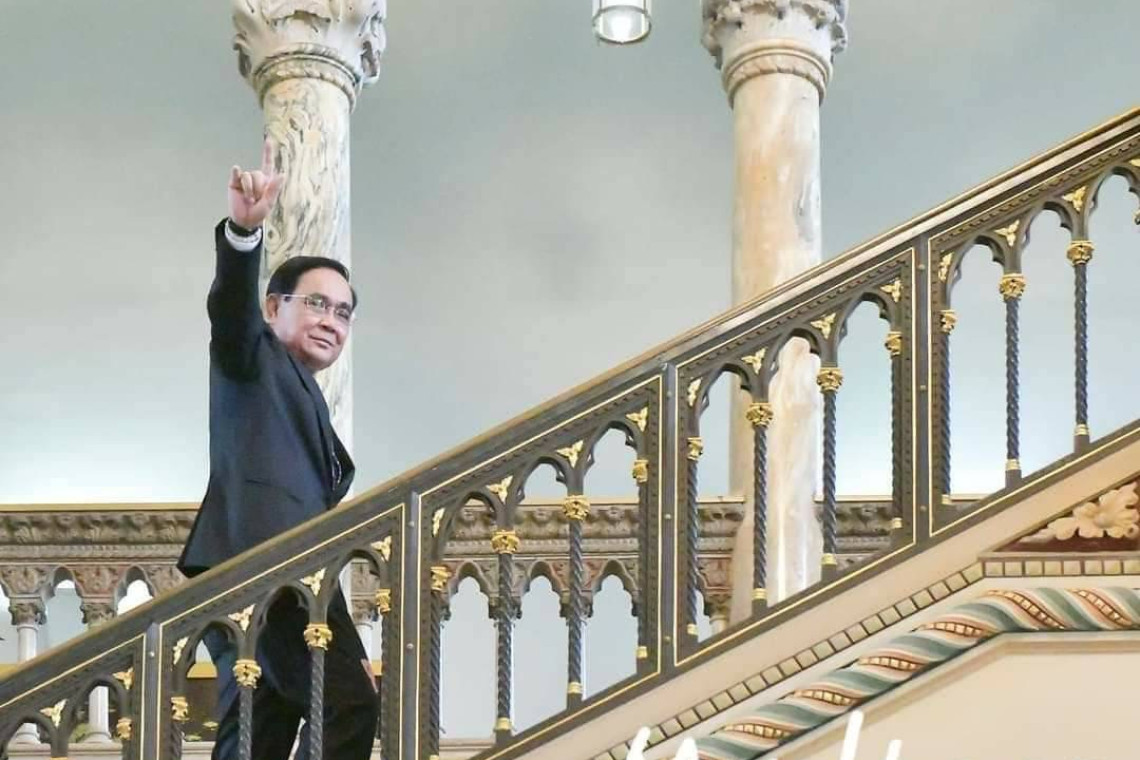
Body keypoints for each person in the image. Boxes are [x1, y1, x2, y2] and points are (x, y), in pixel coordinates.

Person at [177, 139, 379, 760]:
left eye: (343, 313)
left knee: (257, 732)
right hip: (269, 568)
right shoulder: (251, 357)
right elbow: (230, 308)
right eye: (316, 304)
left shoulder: (306, 395)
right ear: (274, 307)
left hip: (279, 573)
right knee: (350, 701)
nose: (332, 321)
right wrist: (243, 233)